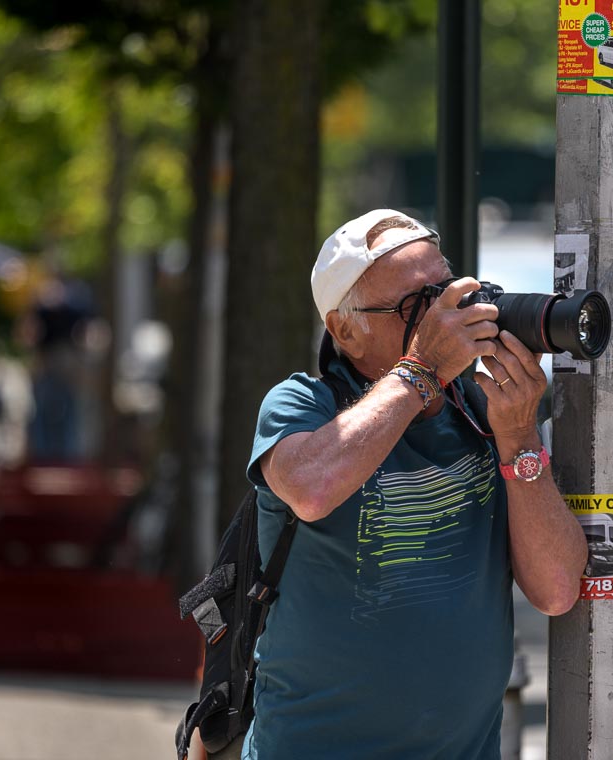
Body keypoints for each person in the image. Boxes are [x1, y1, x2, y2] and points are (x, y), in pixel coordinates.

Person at [237, 209, 587, 759]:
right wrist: (419, 368)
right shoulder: (303, 405)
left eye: (445, 290)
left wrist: (519, 434)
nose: (444, 316)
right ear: (344, 330)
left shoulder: (481, 408)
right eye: (414, 306)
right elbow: (309, 489)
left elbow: (557, 588)